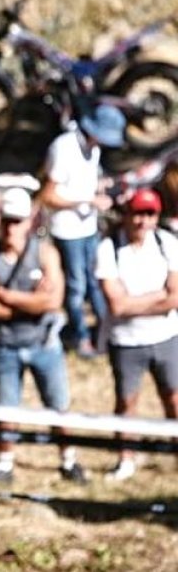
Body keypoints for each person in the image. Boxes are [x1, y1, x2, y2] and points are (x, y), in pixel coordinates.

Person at [0, 187, 86, 484]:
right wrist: (31, 304)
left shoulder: (45, 254)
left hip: (44, 343)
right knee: (7, 408)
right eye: (8, 220)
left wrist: (6, 296)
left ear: (28, 222)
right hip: (6, 345)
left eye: (18, 221)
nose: (12, 227)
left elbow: (52, 302)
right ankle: (5, 462)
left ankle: (68, 459)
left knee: (58, 406)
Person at [95, 187, 178, 481]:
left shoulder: (167, 243)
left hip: (166, 337)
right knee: (127, 401)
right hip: (126, 342)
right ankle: (126, 458)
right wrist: (157, 300)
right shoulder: (108, 249)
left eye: (149, 214)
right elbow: (116, 304)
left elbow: (175, 297)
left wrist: (136, 303)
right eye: (138, 214)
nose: (143, 221)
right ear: (127, 215)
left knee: (173, 397)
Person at [38, 104, 126, 359]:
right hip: (68, 230)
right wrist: (86, 200)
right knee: (76, 286)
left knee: (95, 282)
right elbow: (48, 196)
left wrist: (102, 190)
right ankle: (81, 337)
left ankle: (104, 333)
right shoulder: (63, 148)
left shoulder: (93, 149)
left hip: (89, 227)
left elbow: (84, 183)